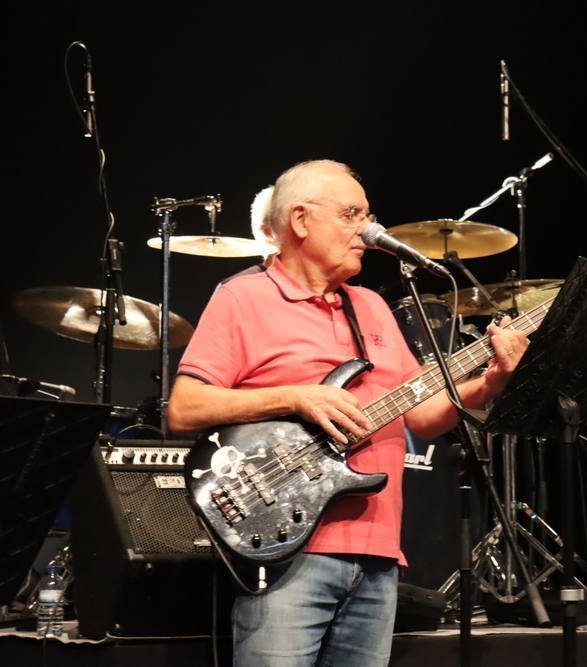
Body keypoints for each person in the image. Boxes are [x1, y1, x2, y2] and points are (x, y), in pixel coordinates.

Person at [167, 159, 529, 666]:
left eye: (367, 216)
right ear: (300, 220)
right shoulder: (243, 296)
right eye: (351, 215)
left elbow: (423, 415)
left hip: (378, 555)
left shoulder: (371, 307)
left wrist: (492, 382)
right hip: (290, 547)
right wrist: (296, 397)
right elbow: (184, 408)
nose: (367, 230)